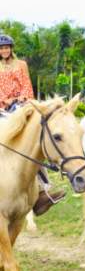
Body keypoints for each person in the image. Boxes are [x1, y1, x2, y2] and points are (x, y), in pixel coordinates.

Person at [0, 34, 64, 214]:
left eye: (6, 47)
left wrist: (21, 98)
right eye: (1, 48)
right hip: (2, 108)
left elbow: (27, 86)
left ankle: (43, 190)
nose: (4, 50)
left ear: (11, 48)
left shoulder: (21, 65)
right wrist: (6, 100)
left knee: (35, 139)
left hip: (22, 107)